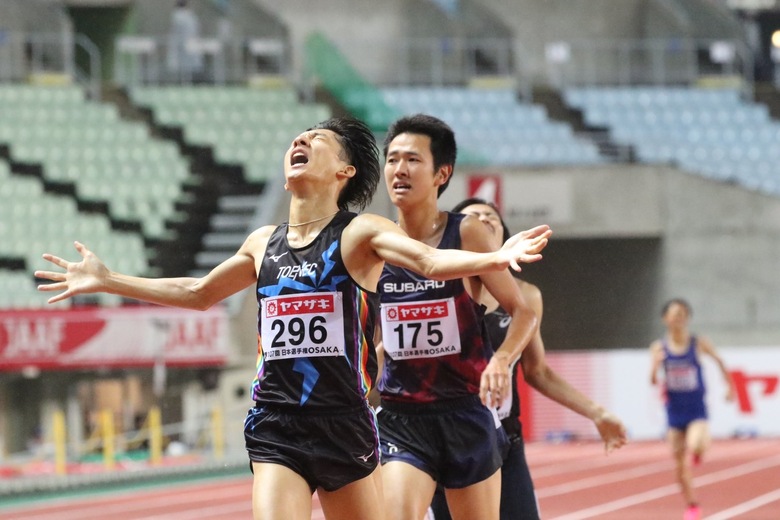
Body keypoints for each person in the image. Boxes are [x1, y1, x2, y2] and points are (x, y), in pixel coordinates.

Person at [36, 117, 551, 520]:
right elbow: (197, 292)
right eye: (298, 137)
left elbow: (430, 262)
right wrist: (108, 280)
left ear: (344, 171)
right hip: (276, 421)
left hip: (343, 423)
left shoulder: (358, 233)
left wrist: (493, 258)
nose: (300, 140)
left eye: (317, 139)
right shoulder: (263, 242)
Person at [376, 114, 542, 520]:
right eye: (393, 159)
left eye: (413, 160)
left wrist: (501, 360)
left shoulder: (467, 233)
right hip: (402, 417)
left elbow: (521, 310)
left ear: (441, 173)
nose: (400, 169)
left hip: (465, 412)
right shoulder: (374, 242)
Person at [430, 198, 628, 520]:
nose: (481, 220)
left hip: (505, 440)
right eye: (472, 217)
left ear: (504, 236)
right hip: (450, 439)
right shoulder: (436, 291)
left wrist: (597, 413)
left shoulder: (526, 297)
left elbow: (539, 372)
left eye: (489, 217)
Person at [649, 298, 736, 520]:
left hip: (696, 408)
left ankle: (698, 451)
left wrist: (730, 387)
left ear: (687, 318)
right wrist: (656, 366)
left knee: (696, 443)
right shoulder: (659, 347)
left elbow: (719, 361)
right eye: (675, 314)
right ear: (665, 319)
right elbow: (652, 381)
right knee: (678, 464)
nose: (679, 318)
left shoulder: (698, 343)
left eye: (682, 314)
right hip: (674, 411)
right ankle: (692, 505)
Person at [167, 0, 203, 83]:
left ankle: (185, 81)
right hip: (187, 44)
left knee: (185, 67)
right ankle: (186, 81)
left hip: (186, 44)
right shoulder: (189, 16)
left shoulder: (178, 16)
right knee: (186, 67)